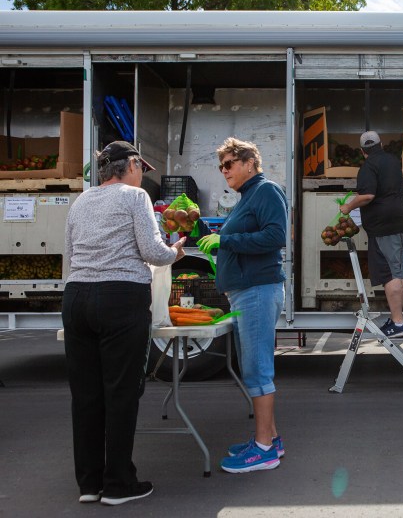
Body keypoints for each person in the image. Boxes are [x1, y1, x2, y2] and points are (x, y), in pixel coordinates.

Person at [63, 141, 186, 505]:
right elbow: (151, 251)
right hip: (120, 297)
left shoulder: (80, 201)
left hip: (77, 297)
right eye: (141, 169)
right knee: (120, 391)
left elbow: (69, 257)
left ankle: (89, 484)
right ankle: (118, 484)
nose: (142, 176)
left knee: (86, 394)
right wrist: (175, 251)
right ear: (130, 165)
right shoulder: (135, 199)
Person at [196, 137, 288, 473]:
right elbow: (241, 237)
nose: (224, 171)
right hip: (246, 292)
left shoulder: (266, 191)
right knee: (254, 368)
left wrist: (226, 240)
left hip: (257, 291)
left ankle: (263, 449)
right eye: (221, 166)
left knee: (257, 369)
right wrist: (206, 231)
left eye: (229, 164)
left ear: (250, 162)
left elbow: (276, 236)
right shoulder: (248, 197)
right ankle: (271, 440)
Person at [339, 130, 403, 338]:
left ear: (363, 151)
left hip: (385, 227)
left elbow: (367, 195)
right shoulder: (392, 161)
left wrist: (349, 206)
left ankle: (398, 323)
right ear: (381, 145)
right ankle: (398, 319)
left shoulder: (368, 166)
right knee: (399, 272)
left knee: (391, 274)